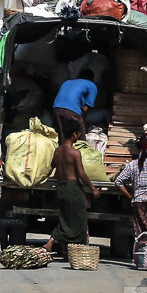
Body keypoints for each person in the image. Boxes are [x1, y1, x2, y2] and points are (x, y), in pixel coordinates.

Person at [45, 121, 97, 255]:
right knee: (79, 219)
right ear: (74, 135)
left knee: (64, 218)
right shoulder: (75, 153)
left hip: (61, 188)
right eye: (78, 135)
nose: (78, 137)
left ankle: (52, 242)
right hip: (73, 188)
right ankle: (76, 251)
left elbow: (52, 165)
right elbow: (81, 173)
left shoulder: (58, 151)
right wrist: (93, 188)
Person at [51, 76, 97, 141]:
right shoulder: (92, 86)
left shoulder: (67, 82)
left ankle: (61, 150)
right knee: (81, 139)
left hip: (56, 109)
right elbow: (85, 109)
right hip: (72, 110)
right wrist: (81, 122)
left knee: (60, 137)